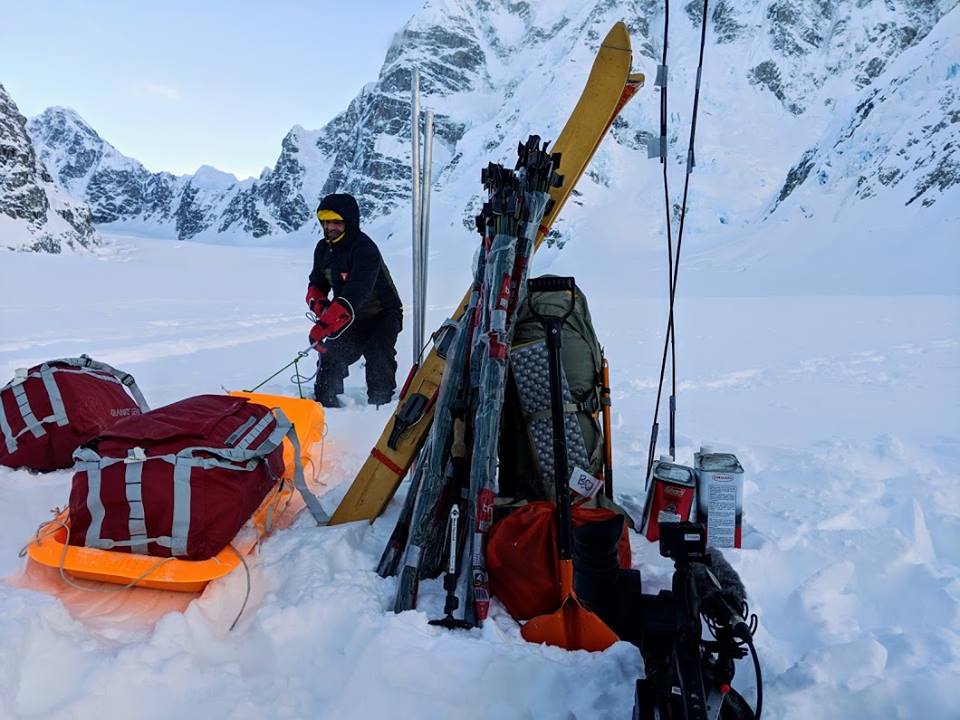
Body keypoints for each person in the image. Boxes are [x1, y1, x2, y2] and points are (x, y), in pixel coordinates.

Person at [306, 193, 402, 408]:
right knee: (331, 355)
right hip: (351, 317)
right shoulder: (323, 249)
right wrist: (319, 303)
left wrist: (325, 325)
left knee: (378, 355)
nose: (330, 227)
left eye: (336, 222)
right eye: (326, 221)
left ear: (349, 222)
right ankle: (326, 407)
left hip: (383, 314)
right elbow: (317, 284)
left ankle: (379, 411)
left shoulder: (365, 250)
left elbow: (356, 292)